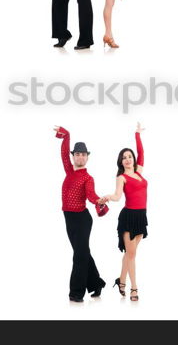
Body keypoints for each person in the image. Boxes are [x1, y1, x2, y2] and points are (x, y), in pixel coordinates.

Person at [54, 126, 108, 302]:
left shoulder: (88, 178)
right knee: (82, 252)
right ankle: (96, 283)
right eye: (77, 154)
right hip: (68, 219)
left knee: (79, 255)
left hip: (82, 219)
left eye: (83, 154)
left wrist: (99, 201)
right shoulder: (69, 171)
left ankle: (76, 293)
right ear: (74, 156)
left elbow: (91, 195)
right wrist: (66, 136)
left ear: (87, 157)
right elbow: (63, 153)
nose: (80, 157)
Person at [102, 123, 148, 302]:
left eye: (130, 156)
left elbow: (142, 153)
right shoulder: (122, 177)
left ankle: (121, 280)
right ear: (121, 162)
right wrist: (107, 197)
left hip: (141, 216)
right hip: (128, 217)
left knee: (130, 253)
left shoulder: (139, 172)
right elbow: (117, 196)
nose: (128, 159)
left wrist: (137, 135)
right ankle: (134, 288)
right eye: (124, 158)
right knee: (132, 254)